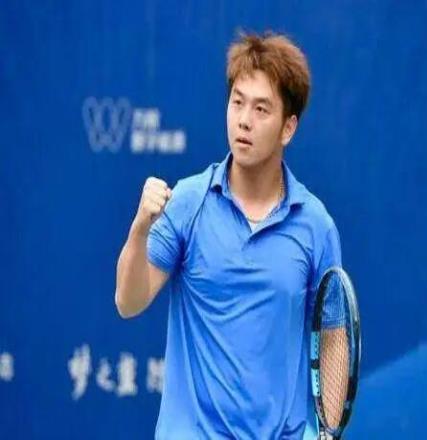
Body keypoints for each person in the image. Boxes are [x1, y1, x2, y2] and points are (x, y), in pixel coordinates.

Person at [115, 32, 342, 440]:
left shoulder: (316, 226)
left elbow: (332, 338)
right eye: (237, 102)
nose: (244, 120)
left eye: (261, 109)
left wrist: (328, 431)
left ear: (288, 128)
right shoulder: (188, 202)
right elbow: (128, 302)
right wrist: (139, 228)